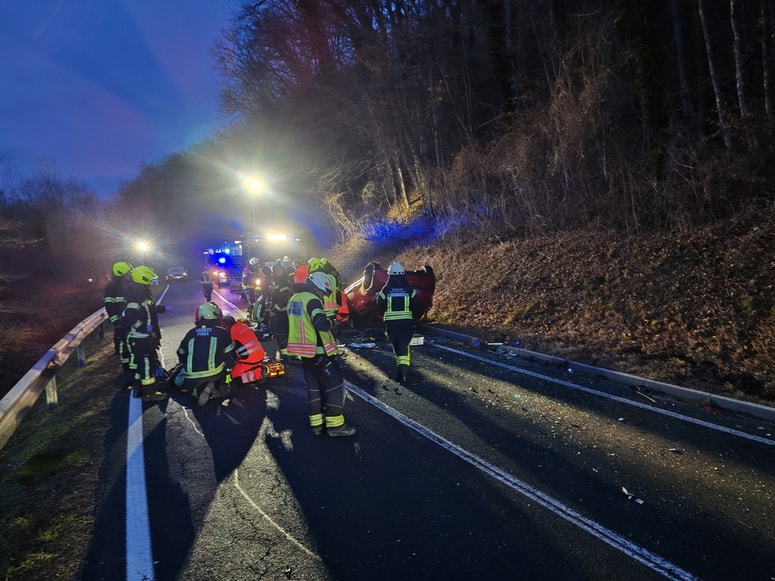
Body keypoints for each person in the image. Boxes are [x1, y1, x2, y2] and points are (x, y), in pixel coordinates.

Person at [286, 272, 356, 437]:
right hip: (319, 351)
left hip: (305, 353)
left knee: (314, 387)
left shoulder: (295, 298)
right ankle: (335, 426)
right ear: (317, 287)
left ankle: (316, 424)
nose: (323, 297)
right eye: (323, 293)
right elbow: (321, 323)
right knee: (334, 385)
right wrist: (333, 322)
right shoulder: (312, 300)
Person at [123, 265, 171, 401]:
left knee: (143, 363)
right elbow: (130, 316)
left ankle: (138, 388)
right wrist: (144, 328)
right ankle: (149, 393)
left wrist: (163, 308)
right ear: (143, 279)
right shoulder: (136, 296)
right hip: (140, 338)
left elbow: (149, 308)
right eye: (149, 279)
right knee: (146, 365)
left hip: (143, 337)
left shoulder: (141, 293)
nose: (151, 281)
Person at [175, 302, 236, 405]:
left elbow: (181, 352)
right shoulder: (222, 332)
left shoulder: (191, 333)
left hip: (191, 377)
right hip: (215, 373)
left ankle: (197, 391)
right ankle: (217, 386)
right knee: (228, 365)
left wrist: (187, 365)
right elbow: (230, 353)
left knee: (179, 381)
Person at [376, 262, 420, 384]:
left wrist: (381, 315)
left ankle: (402, 372)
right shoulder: (409, 289)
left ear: (389, 275)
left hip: (391, 323)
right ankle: (403, 370)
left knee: (397, 346)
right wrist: (414, 319)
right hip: (406, 323)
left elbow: (380, 305)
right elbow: (416, 305)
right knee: (404, 345)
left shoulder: (386, 289)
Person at [104, 261, 133, 377]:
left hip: (128, 320)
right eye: (127, 273)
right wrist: (116, 321)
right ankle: (126, 368)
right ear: (121, 273)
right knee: (122, 344)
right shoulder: (111, 287)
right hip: (120, 321)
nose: (128, 275)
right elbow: (109, 306)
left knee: (129, 342)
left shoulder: (127, 285)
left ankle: (131, 364)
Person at [223, 315, 266, 385]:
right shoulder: (243, 326)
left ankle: (258, 374)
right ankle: (256, 369)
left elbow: (229, 348)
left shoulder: (232, 332)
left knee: (234, 377)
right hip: (260, 355)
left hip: (250, 359)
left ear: (226, 325)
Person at [268, 261, 291, 358]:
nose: (277, 271)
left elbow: (283, 298)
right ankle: (284, 354)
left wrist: (275, 310)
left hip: (283, 314)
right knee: (277, 334)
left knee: (282, 335)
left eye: (280, 269)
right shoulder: (277, 282)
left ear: (284, 271)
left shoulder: (284, 282)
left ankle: (286, 357)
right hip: (278, 313)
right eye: (276, 269)